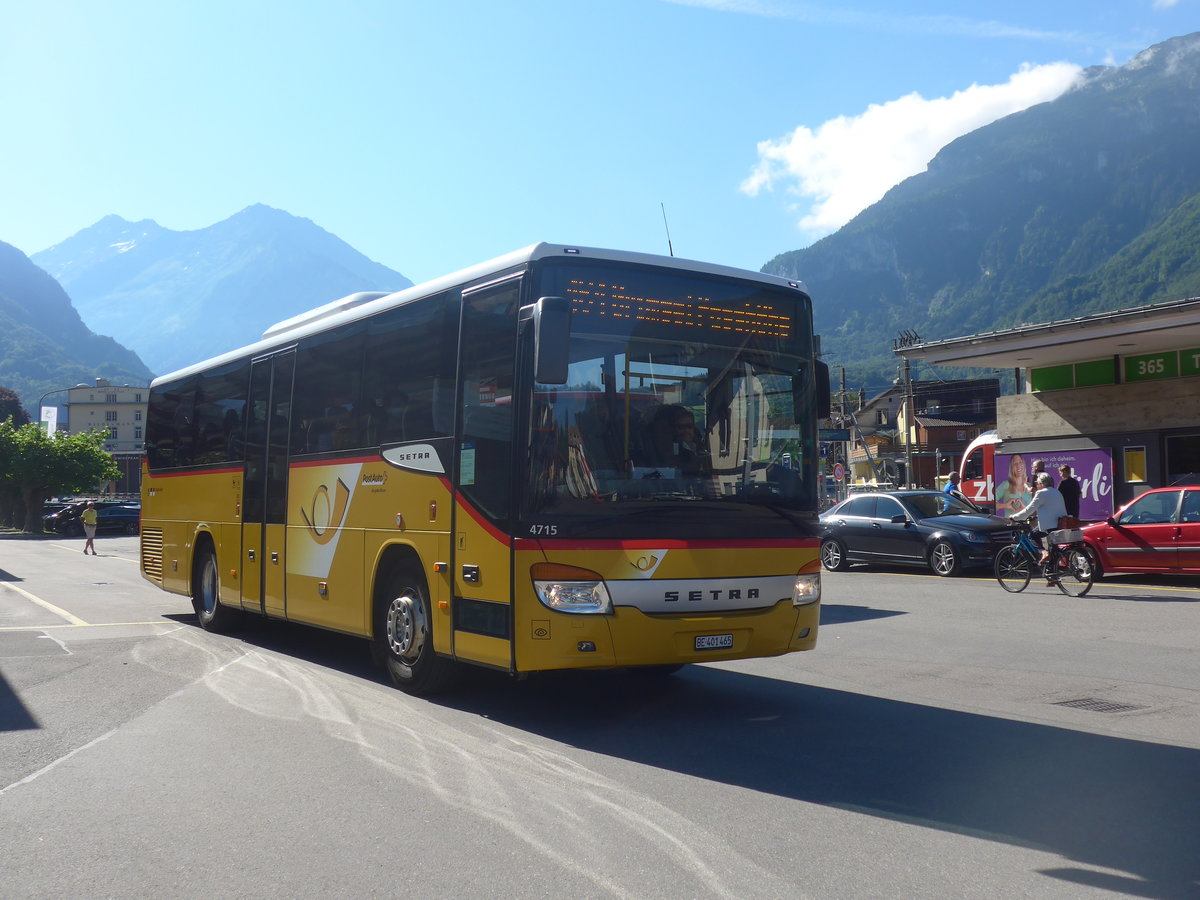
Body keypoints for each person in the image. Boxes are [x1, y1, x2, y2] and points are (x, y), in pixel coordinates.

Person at [1011, 472, 1068, 566]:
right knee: (1053, 551)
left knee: (1031, 536)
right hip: (1060, 523)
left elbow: (1029, 509)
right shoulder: (1056, 492)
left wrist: (1015, 517)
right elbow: (1051, 509)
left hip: (1050, 525)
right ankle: (1052, 575)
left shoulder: (1041, 493)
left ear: (1042, 484)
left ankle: (1043, 552)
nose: (1036, 485)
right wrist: (1037, 516)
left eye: (1037, 483)